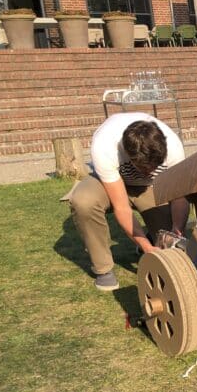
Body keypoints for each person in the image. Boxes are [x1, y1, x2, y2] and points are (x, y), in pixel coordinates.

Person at [69, 113, 189, 291]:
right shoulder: (105, 145)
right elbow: (122, 207)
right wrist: (146, 247)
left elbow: (179, 196)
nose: (151, 171)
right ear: (129, 156)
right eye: (146, 168)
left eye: (155, 166)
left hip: (150, 187)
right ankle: (103, 268)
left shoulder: (173, 146)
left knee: (167, 238)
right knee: (84, 202)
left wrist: (176, 232)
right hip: (112, 183)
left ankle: (151, 237)